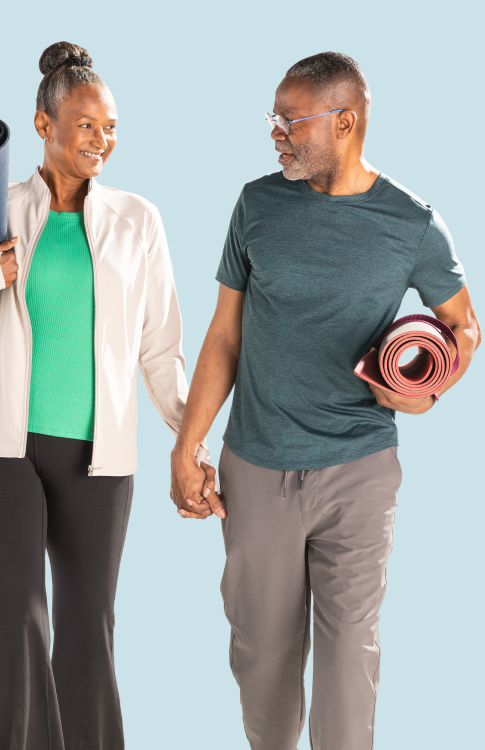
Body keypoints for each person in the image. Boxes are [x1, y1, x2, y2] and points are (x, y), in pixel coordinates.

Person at [0, 41, 212, 750]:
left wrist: (190, 443)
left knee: (87, 633)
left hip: (98, 462)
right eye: (85, 124)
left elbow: (161, 351)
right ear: (42, 124)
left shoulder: (139, 221)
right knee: (17, 626)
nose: (101, 141)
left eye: (110, 128)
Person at [170, 52, 480, 750]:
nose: (276, 133)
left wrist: (425, 391)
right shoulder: (256, 204)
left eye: (290, 120)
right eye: (273, 120)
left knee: (348, 661)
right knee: (264, 663)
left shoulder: (412, 223)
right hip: (256, 466)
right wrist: (186, 446)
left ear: (345, 121)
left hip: (360, 472)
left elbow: (465, 327)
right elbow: (224, 336)